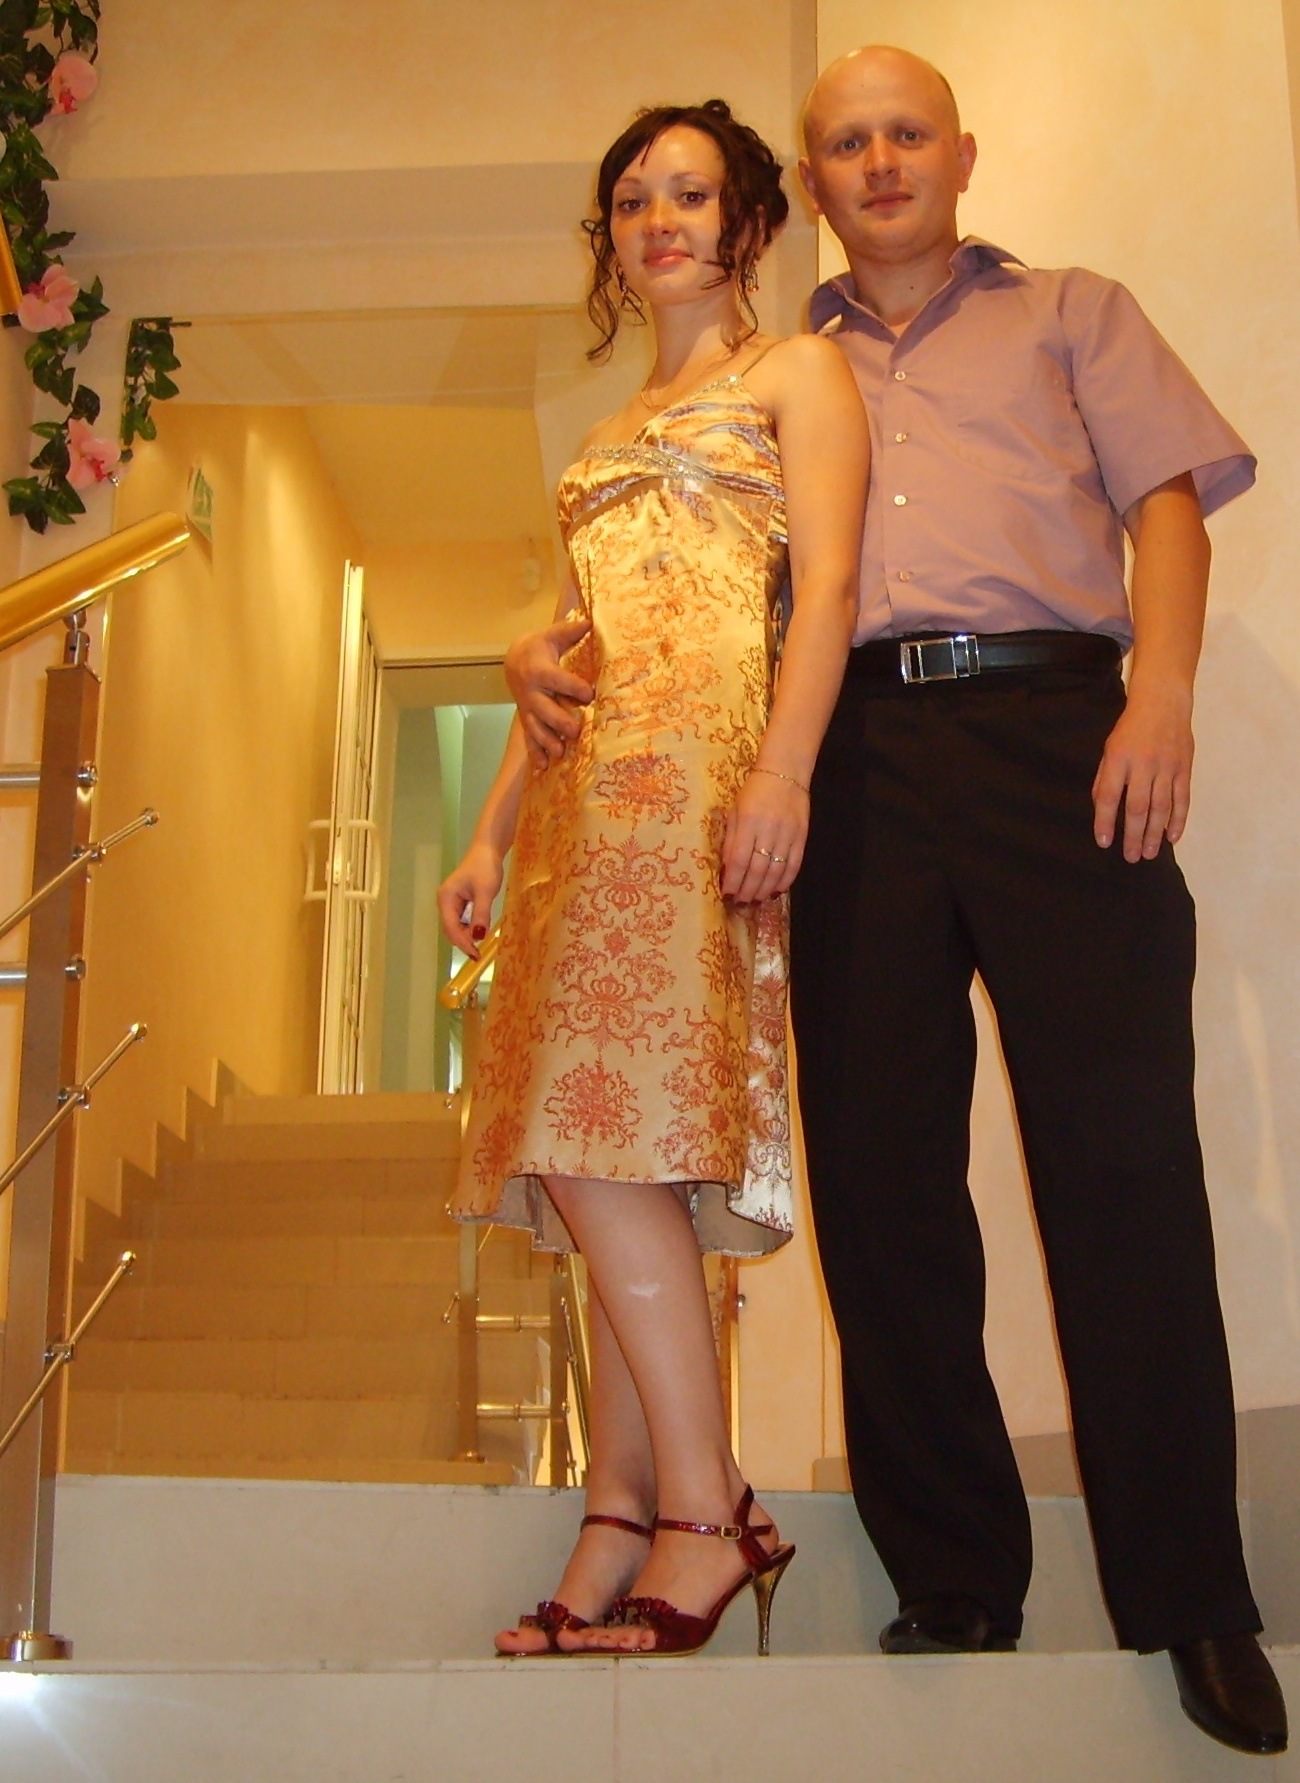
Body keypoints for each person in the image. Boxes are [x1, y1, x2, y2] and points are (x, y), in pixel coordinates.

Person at [502, 47, 1287, 1754]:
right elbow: (677, 570)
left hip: (1061, 733)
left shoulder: (1072, 311)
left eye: (905, 133)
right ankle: (955, 1580)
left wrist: (1162, 693)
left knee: (1125, 1171)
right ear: (810, 180)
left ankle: (1193, 1600)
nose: (879, 162)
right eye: (846, 141)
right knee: (882, 1181)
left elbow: (1169, 510)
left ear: (961, 153)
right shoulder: (780, 361)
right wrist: (536, 656)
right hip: (849, 761)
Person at [437, 97, 868, 1658]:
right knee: (593, 1145)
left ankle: (705, 1508)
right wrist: (491, 829)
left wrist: (783, 776)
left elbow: (831, 590)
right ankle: (619, 1507)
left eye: (688, 194)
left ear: (748, 222)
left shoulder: (797, 372)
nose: (658, 221)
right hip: (576, 817)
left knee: (613, 1138)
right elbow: (564, 656)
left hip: (696, 793)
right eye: (631, 200)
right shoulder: (607, 427)